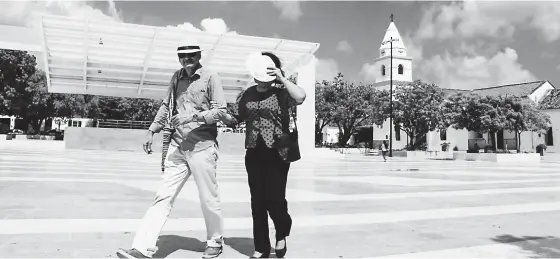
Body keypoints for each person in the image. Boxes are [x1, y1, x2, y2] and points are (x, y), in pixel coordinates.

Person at [117, 38, 227, 259]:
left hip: (202, 146)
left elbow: (220, 111)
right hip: (178, 146)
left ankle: (215, 240)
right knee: (163, 197)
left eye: (191, 56)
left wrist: (191, 117)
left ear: (199, 57)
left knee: (208, 198)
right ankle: (142, 248)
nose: (186, 60)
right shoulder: (176, 78)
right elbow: (167, 105)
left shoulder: (210, 77)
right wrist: (152, 130)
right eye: (182, 56)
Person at [215, 52, 306, 258]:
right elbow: (237, 118)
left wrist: (282, 78)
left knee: (275, 199)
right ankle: (261, 248)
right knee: (257, 202)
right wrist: (223, 116)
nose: (261, 81)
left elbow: (300, 97)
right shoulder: (248, 93)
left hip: (278, 152)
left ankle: (282, 231)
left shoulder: (282, 92)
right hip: (254, 152)